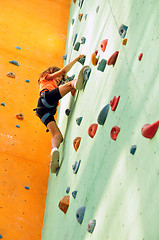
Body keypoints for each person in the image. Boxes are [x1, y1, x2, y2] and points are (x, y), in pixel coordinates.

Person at [35, 54, 85, 173]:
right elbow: (63, 70)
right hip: (45, 101)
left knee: (58, 136)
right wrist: (77, 59)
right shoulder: (46, 77)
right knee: (70, 84)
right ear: (51, 71)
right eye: (59, 77)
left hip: (43, 112)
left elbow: (61, 86)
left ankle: (54, 151)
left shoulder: (53, 87)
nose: (59, 79)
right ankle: (74, 83)